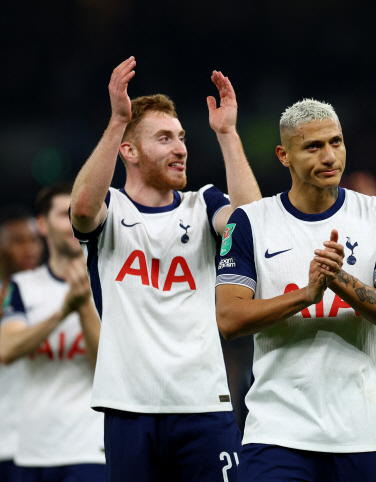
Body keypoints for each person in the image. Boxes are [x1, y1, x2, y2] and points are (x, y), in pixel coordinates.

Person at [69, 57, 261, 481]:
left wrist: (227, 134)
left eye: (182, 137)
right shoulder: (112, 209)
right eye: (164, 139)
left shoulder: (202, 203)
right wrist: (118, 120)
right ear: (130, 151)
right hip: (129, 408)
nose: (181, 148)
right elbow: (81, 210)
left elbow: (253, 225)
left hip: (204, 406)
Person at [215, 99, 376, 482]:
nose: (329, 156)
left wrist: (340, 280)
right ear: (283, 155)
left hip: (358, 435)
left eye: (336, 142)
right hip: (276, 434)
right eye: (313, 146)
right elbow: (228, 318)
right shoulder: (250, 222)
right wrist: (305, 295)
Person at [0, 184, 103, 481]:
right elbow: (7, 349)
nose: (73, 220)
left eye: (79, 213)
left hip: (89, 448)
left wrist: (84, 307)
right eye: (63, 214)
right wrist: (62, 313)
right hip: (32, 450)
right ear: (42, 225)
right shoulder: (22, 286)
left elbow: (107, 371)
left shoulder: (108, 282)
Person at [0, 205, 42, 482]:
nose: (29, 249)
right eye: (18, 241)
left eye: (34, 240)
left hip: (44, 442)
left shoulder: (59, 293)